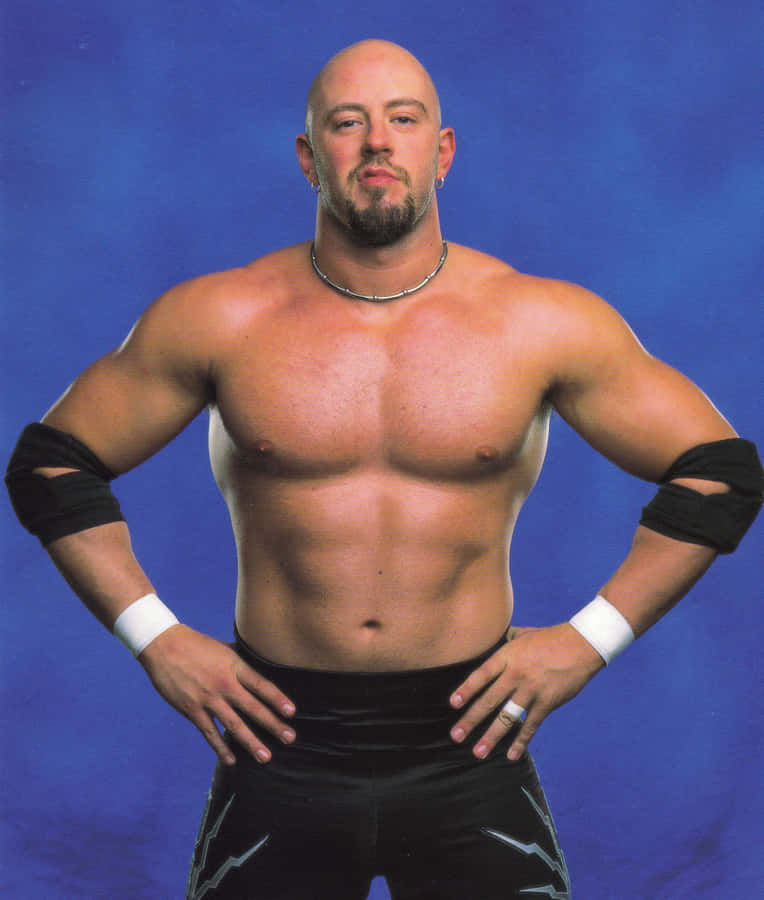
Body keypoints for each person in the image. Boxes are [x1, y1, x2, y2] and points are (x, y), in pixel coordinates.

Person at [6, 39, 762, 900]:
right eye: (347, 122)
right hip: (277, 739)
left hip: (471, 740)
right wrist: (157, 639)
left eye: (403, 119)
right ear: (308, 156)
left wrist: (589, 641)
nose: (376, 142)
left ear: (442, 151)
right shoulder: (222, 316)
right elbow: (52, 465)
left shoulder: (539, 322)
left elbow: (721, 473)